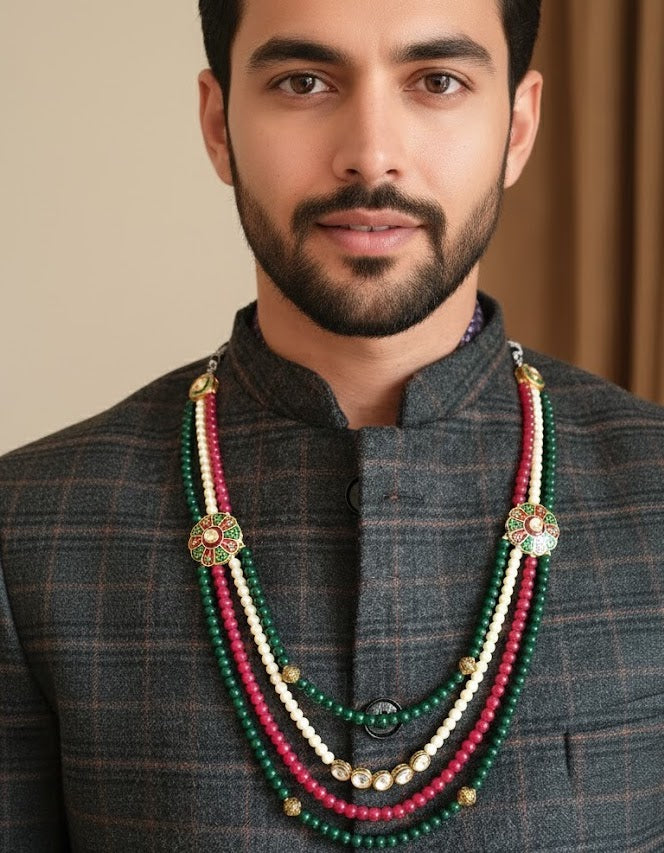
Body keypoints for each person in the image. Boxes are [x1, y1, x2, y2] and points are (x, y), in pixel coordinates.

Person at [1, 0, 663, 850]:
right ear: (218, 124)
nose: (371, 156)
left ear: (519, 127)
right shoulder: (28, 532)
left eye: (437, 81)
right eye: (304, 81)